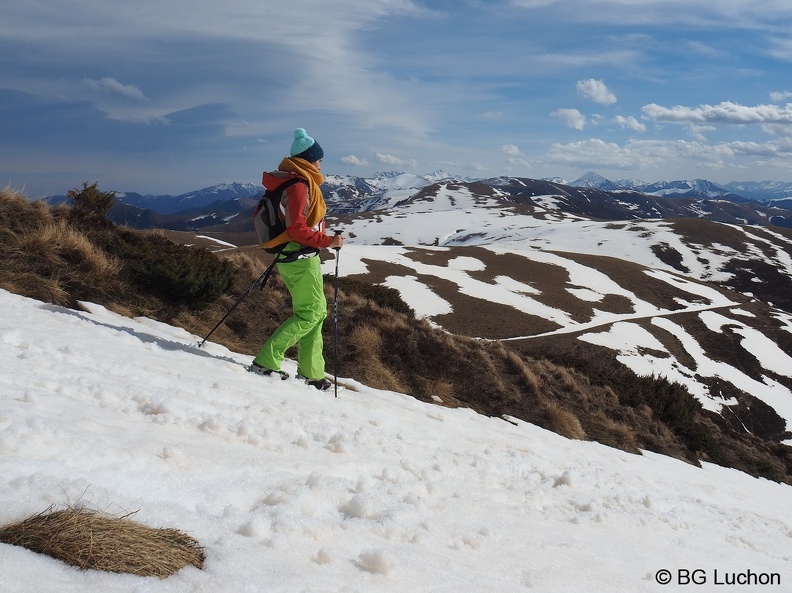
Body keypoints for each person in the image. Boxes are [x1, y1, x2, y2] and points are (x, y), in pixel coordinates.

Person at [249, 128, 344, 390]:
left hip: (297, 255)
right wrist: (328, 242)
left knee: (315, 313)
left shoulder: (295, 181)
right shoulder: (300, 186)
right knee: (311, 312)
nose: (321, 164)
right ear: (309, 160)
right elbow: (297, 228)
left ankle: (311, 373)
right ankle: (266, 361)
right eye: (319, 160)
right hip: (299, 257)